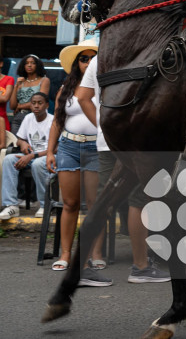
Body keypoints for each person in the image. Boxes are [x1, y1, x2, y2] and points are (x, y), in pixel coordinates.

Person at [76, 55, 169, 282]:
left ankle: (80, 269)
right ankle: (141, 267)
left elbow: (82, 97)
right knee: (139, 200)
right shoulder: (149, 52)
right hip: (139, 141)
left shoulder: (101, 57)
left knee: (104, 201)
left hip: (109, 141)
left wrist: (105, 126)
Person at [46, 39, 111, 287]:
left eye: (93, 58)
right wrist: (50, 151)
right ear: (76, 63)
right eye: (84, 58)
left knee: (96, 204)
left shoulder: (106, 86)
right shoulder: (66, 88)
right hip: (69, 147)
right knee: (70, 203)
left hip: (96, 148)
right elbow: (57, 121)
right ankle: (65, 254)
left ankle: (95, 255)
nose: (88, 62)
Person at [0, 92, 52, 220]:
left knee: (38, 164)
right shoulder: (28, 118)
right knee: (9, 159)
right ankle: (11, 206)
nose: (36, 106)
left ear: (47, 105)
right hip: (30, 156)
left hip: (47, 157)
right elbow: (19, 139)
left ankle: (45, 205)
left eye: (40, 103)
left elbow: (56, 148)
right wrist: (23, 143)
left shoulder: (52, 120)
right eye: (33, 103)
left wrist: (33, 156)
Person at [10, 54, 50, 134]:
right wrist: (16, 86)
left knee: (34, 143)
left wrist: (20, 106)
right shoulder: (21, 82)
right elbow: (12, 106)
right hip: (19, 117)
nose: (29, 65)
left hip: (36, 116)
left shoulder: (44, 80)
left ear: (38, 65)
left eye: (33, 63)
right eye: (26, 63)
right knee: (16, 143)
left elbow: (40, 102)